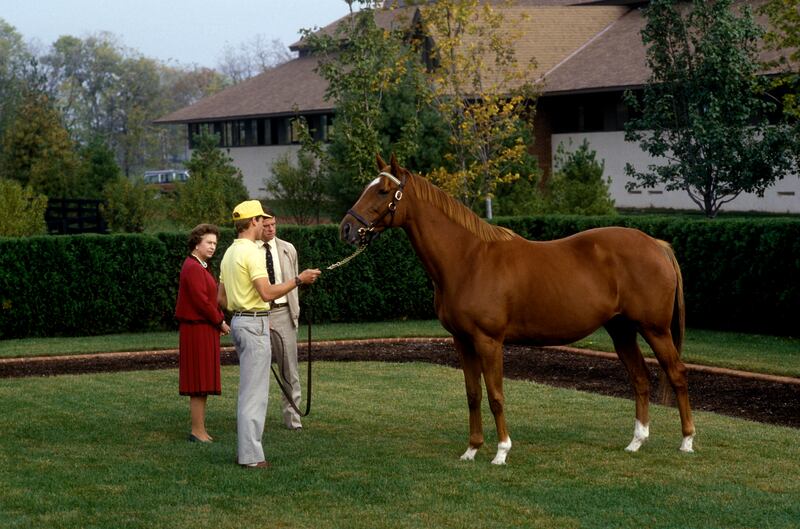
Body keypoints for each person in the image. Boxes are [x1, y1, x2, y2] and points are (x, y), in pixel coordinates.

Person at [217, 200, 321, 469]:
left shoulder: (229, 253)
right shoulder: (252, 253)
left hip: (240, 322)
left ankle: (246, 451)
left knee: (248, 392)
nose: (265, 223)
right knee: (255, 394)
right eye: (261, 219)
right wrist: (298, 279)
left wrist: (246, 308)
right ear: (252, 222)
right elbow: (266, 293)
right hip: (254, 324)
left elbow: (221, 298)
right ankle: (251, 457)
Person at [174, 223, 231, 443]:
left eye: (215, 243)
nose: (212, 246)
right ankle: (197, 430)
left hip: (203, 329)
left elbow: (209, 300)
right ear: (197, 243)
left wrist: (217, 320)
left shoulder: (201, 266)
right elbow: (202, 302)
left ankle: (200, 429)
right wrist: (220, 322)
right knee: (198, 381)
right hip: (196, 329)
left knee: (202, 382)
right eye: (208, 242)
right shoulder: (192, 267)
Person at [260, 211, 303, 430]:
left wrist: (295, 310)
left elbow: (293, 282)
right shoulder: (250, 251)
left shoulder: (288, 249)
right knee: (258, 369)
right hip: (258, 313)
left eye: (273, 224)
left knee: (289, 369)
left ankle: (293, 418)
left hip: (284, 312)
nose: (271, 228)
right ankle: (256, 419)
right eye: (266, 225)